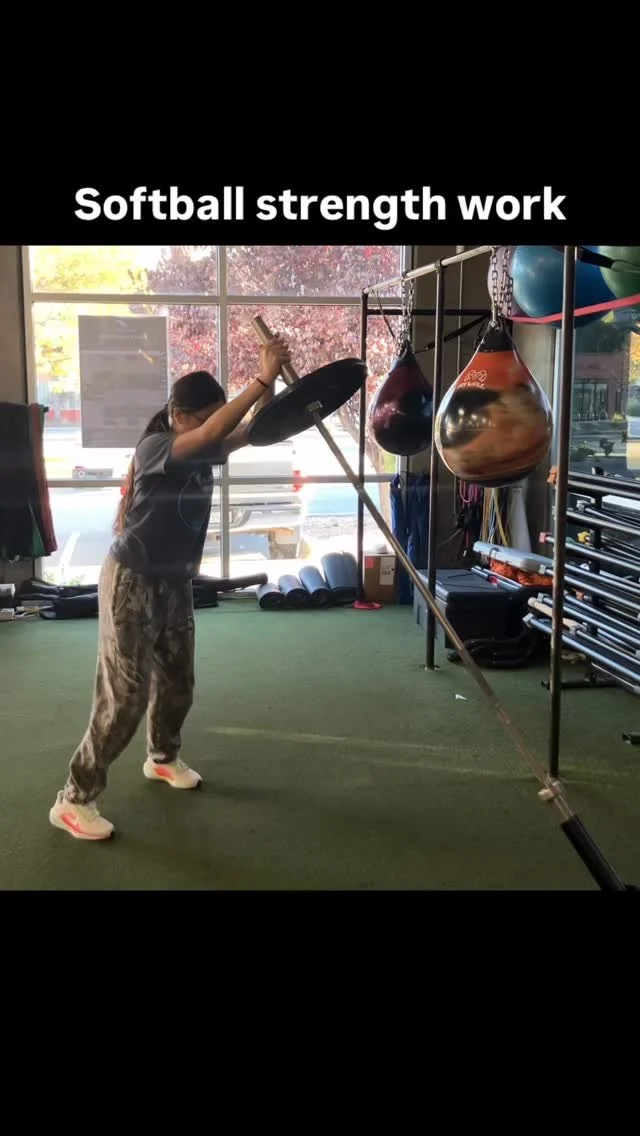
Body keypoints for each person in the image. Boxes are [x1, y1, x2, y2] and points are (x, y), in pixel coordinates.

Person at [49, 332, 291, 841]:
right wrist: (261, 377)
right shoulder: (158, 447)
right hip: (131, 580)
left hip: (174, 582)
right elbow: (215, 433)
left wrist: (269, 379)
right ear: (179, 416)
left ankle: (161, 757)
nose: (213, 428)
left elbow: (251, 429)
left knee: (178, 680)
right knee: (125, 696)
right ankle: (74, 798)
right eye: (205, 418)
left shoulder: (202, 446)